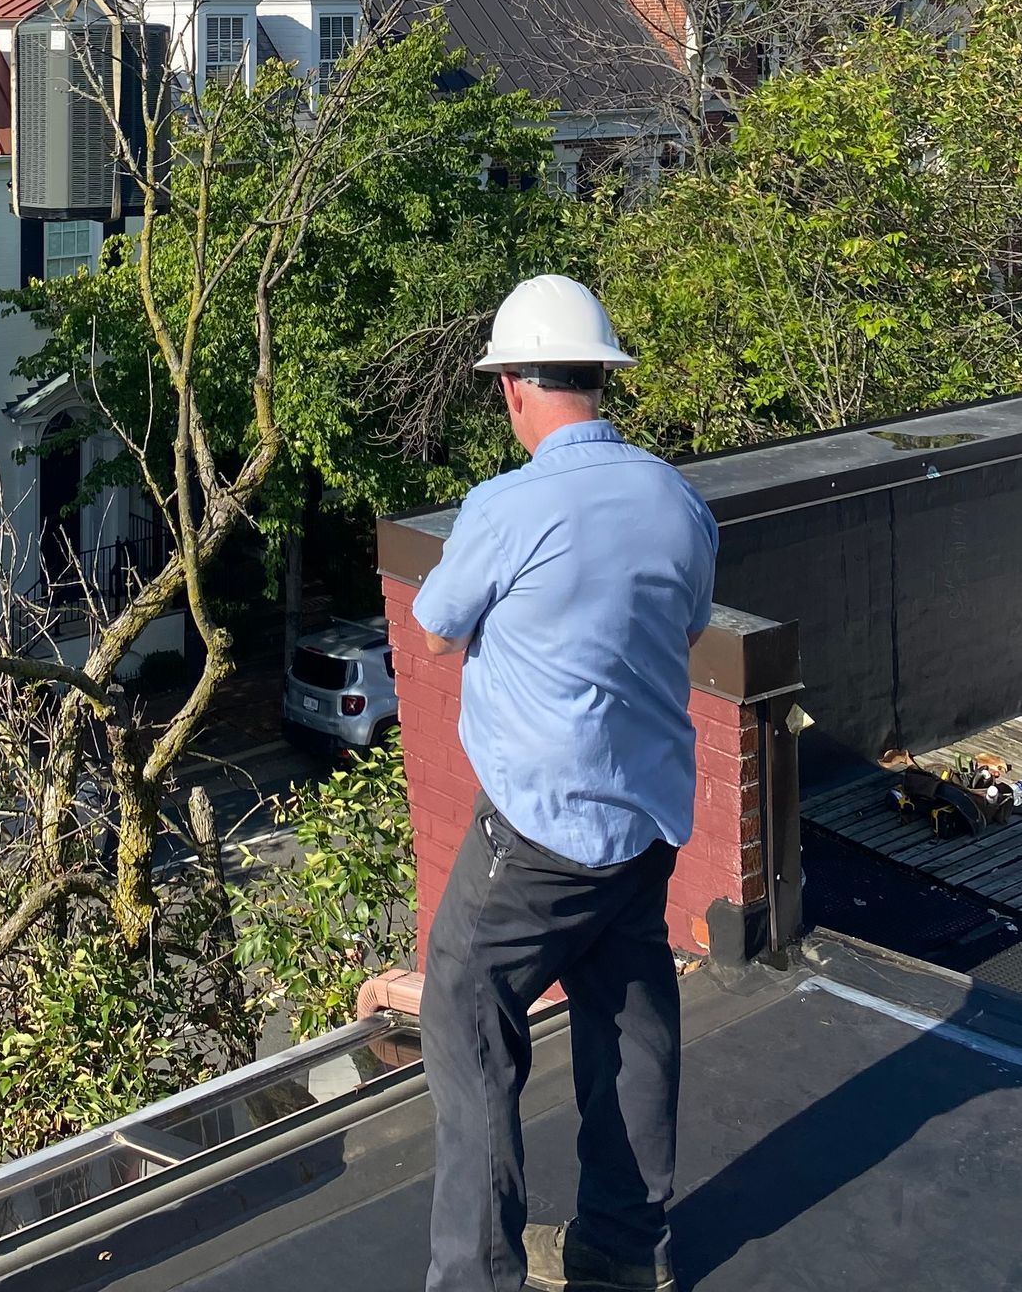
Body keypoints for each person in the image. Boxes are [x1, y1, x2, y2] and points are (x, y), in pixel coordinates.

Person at [413, 275, 718, 1292]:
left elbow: (437, 624)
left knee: (465, 1017)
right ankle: (622, 1256)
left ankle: (477, 1278)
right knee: (631, 1030)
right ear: (600, 375)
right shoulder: (677, 498)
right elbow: (682, 623)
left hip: (534, 841)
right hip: (642, 826)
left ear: (512, 389)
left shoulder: (507, 504)